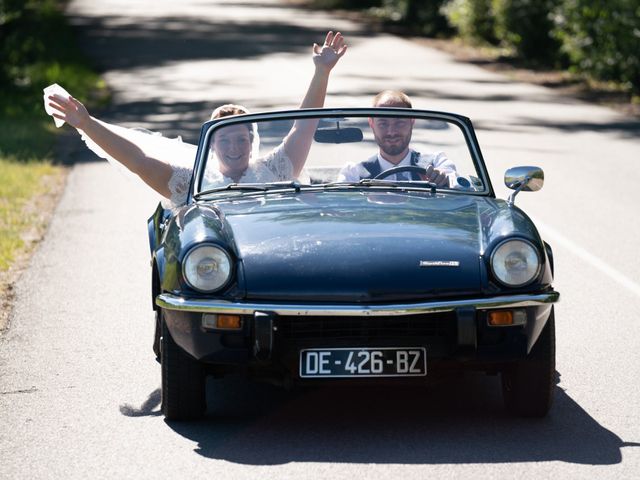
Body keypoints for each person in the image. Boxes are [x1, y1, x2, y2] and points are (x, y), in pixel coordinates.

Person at [45, 31, 347, 206]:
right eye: (224, 138)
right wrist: (86, 123)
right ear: (212, 145)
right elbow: (137, 160)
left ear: (252, 142)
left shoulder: (275, 169)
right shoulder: (193, 181)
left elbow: (304, 128)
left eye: (241, 138)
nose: (234, 146)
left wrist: (322, 72)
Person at [337, 90, 456, 185]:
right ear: (371, 123)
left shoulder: (436, 162)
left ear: (412, 121)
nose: (391, 132)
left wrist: (443, 178)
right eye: (383, 124)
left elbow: (457, 184)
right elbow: (339, 204)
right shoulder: (354, 174)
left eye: (399, 123)